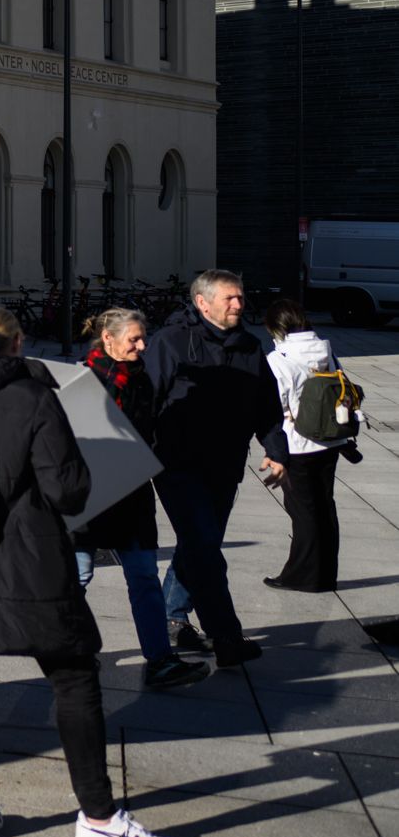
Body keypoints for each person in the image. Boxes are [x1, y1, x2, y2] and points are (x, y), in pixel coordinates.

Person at [0, 307, 181, 837]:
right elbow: (68, 491)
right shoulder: (30, 396)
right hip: (23, 561)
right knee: (74, 677)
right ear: (16, 344)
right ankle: (98, 817)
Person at [142, 270, 278, 667]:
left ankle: (172, 616)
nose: (239, 304)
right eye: (230, 298)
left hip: (225, 466)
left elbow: (266, 405)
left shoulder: (250, 346)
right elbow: (147, 401)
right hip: (177, 465)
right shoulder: (170, 341)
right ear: (203, 303)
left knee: (201, 543)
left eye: (240, 297)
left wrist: (277, 451)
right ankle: (226, 636)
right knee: (203, 545)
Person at [78, 309, 209, 690]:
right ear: (108, 339)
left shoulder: (142, 380)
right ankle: (75, 652)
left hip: (132, 494)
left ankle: (160, 661)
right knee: (78, 578)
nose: (142, 345)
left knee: (144, 578)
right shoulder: (82, 381)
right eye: (134, 339)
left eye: (143, 337)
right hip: (87, 496)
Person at [260, 297, 348, 593]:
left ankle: (302, 576)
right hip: (331, 438)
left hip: (297, 443)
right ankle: (326, 575)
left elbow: (276, 403)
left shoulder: (278, 358)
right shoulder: (326, 350)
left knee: (303, 511)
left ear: (275, 327)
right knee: (325, 506)